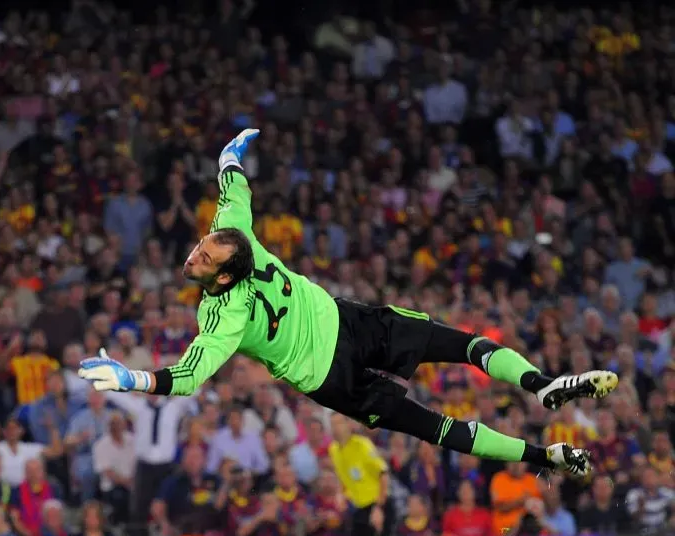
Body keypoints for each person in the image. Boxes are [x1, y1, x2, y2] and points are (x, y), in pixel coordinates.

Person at [78, 129, 617, 480]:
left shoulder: (225, 315)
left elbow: (186, 378)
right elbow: (234, 186)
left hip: (331, 366)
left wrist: (132, 380)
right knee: (452, 372)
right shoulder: (233, 229)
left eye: (202, 254)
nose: (195, 251)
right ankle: (544, 437)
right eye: (200, 246)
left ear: (224, 273)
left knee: (440, 396)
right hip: (344, 328)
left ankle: (543, 402)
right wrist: (229, 157)